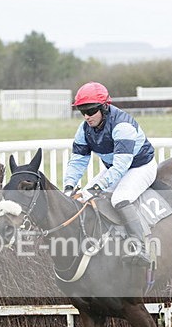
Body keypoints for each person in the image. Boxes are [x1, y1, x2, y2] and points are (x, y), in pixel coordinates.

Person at [63, 81, 156, 267]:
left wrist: (97, 187)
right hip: (114, 168)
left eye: (90, 111)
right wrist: (68, 186)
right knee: (81, 198)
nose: (86, 116)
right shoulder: (84, 129)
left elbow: (121, 166)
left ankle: (140, 247)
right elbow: (78, 160)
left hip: (139, 167)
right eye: (82, 112)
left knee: (120, 199)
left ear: (104, 107)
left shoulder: (123, 126)